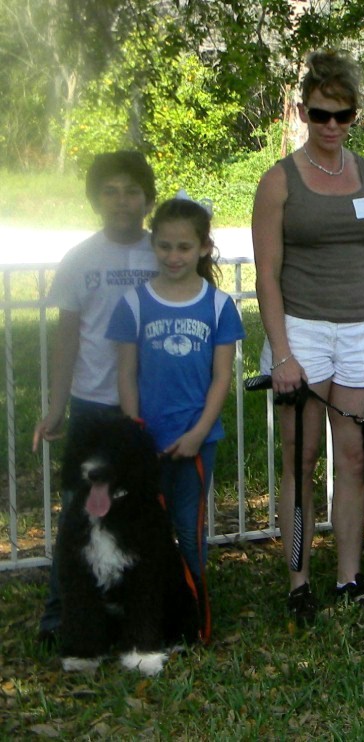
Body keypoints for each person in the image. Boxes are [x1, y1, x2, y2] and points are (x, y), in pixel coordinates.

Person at [252, 50, 364, 623]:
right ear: (303, 112)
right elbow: (265, 275)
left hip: (362, 330)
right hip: (302, 330)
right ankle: (298, 578)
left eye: (343, 116)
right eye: (321, 115)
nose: (332, 127)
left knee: (355, 458)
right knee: (302, 458)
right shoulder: (279, 182)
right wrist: (283, 353)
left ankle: (348, 575)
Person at [33, 150, 159, 644]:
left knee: (146, 511)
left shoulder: (162, 250)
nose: (122, 201)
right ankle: (58, 615)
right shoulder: (80, 259)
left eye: (131, 191)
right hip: (92, 404)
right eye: (110, 191)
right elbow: (66, 339)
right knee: (78, 516)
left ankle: (153, 603)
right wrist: (57, 406)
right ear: (95, 199)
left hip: (147, 406)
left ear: (148, 199)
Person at [107, 197, 244, 640]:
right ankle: (143, 619)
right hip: (147, 443)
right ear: (153, 245)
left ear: (204, 248)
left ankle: (192, 621)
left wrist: (199, 432)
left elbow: (221, 378)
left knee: (190, 530)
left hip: (195, 444)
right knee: (144, 532)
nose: (173, 256)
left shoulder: (219, 307)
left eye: (184, 247)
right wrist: (134, 433)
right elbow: (126, 374)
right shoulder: (133, 304)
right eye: (164, 246)